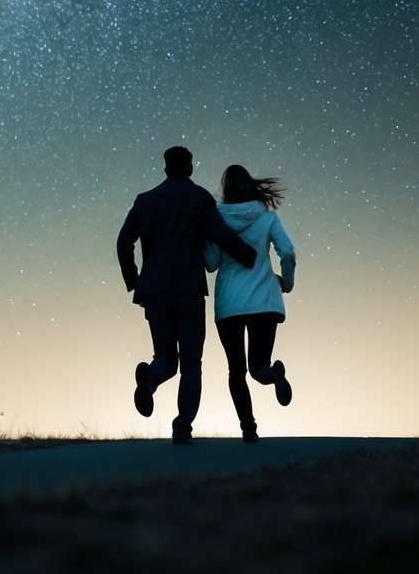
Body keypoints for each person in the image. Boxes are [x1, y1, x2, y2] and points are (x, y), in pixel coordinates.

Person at [116, 147, 258, 444]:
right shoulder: (199, 198)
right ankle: (182, 426)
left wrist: (135, 280)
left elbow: (123, 242)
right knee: (191, 363)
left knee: (165, 357)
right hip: (189, 291)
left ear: (166, 168)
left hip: (155, 291)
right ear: (190, 167)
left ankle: (151, 378)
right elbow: (219, 234)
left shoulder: (145, 201)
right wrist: (248, 256)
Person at [205, 164, 296, 443]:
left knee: (236, 370)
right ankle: (272, 375)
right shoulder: (268, 219)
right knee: (258, 366)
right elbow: (288, 252)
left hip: (230, 305)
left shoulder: (217, 220)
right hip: (264, 302)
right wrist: (287, 282)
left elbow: (210, 264)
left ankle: (248, 428)